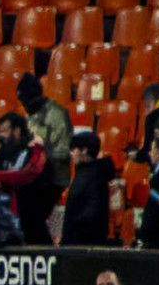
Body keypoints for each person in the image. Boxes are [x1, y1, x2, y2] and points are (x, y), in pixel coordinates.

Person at [17, 73, 71, 244]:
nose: (24, 106)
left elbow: (63, 151)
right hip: (34, 175)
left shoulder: (56, 114)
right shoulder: (30, 115)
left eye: (26, 101)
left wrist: (40, 152)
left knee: (32, 213)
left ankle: (42, 250)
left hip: (54, 176)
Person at [61, 130, 116, 246]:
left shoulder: (94, 177)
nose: (71, 153)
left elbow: (91, 213)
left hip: (83, 247)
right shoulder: (86, 173)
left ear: (84, 150)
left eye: (74, 149)